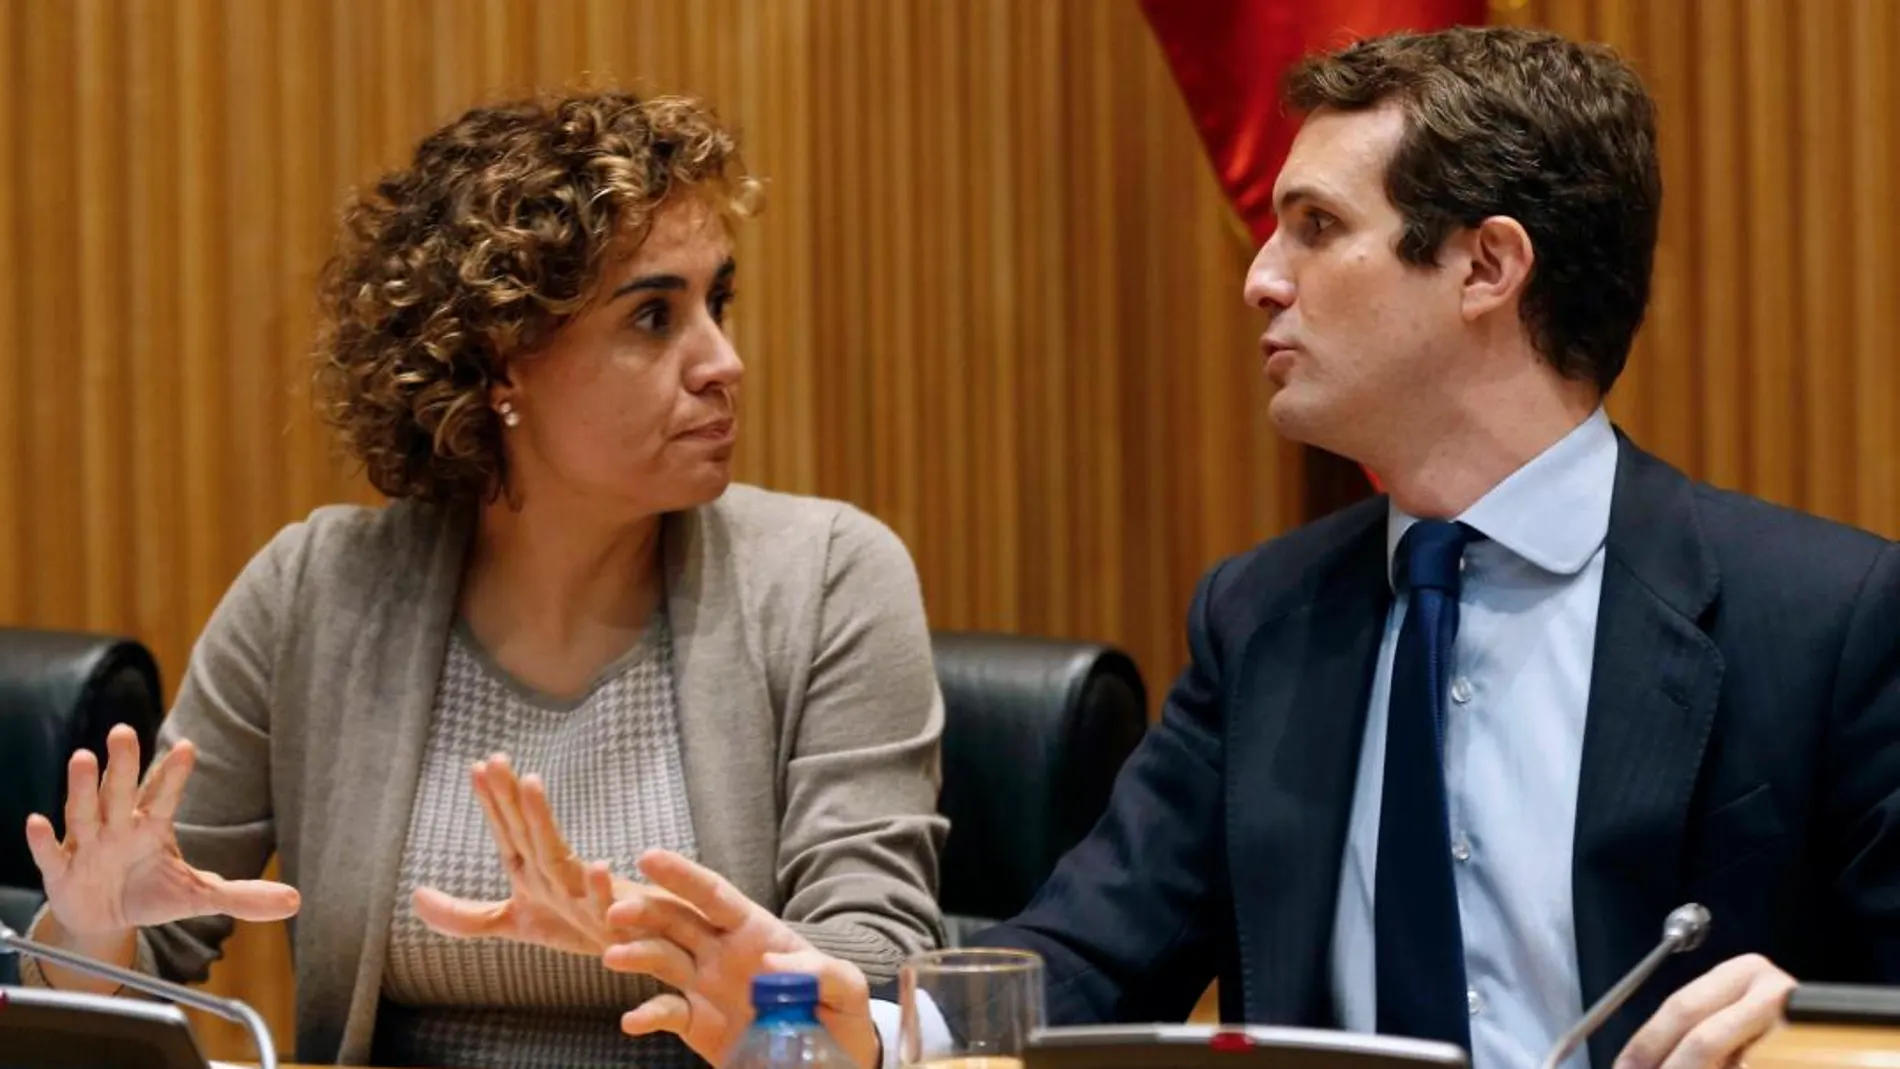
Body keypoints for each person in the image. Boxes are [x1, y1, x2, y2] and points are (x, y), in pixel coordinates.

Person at [595, 26, 1900, 1069]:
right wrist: (866, 1028)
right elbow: (1090, 955)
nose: (1260, 276)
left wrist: (1829, 1037)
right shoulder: (1265, 614)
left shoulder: (1823, 616)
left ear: (1488, 266)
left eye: (1318, 229)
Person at [17, 90, 948, 1069]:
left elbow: (871, 979)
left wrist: (719, 970)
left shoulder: (828, 578)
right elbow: (124, 974)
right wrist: (92, 936)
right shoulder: (316, 595)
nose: (723, 362)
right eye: (652, 317)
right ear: (502, 361)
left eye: (715, 303)